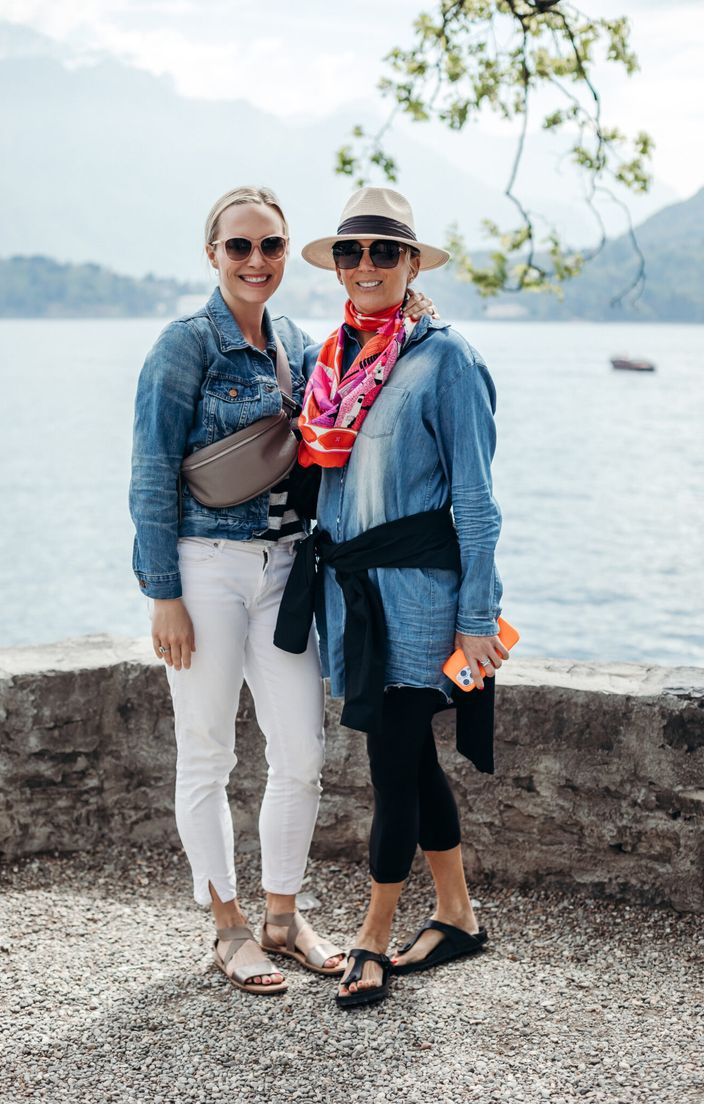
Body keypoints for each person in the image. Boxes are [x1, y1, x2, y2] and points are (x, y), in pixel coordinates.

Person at [129, 185, 432, 996]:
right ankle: (228, 927)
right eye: (239, 247)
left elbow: (349, 419)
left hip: (286, 570)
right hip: (206, 568)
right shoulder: (184, 345)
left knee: (301, 752)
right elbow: (152, 474)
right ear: (213, 255)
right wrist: (163, 593)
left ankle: (281, 915)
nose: (256, 261)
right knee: (208, 750)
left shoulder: (301, 342)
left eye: (270, 246)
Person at [275, 186, 507, 1008]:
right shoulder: (332, 361)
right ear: (338, 265)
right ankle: (457, 914)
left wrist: (479, 616)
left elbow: (477, 502)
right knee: (409, 753)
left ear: (411, 264)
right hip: (351, 594)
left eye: (383, 251)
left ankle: (372, 938)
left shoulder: (448, 361)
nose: (365, 265)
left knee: (391, 763)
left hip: (418, 599)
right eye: (351, 251)